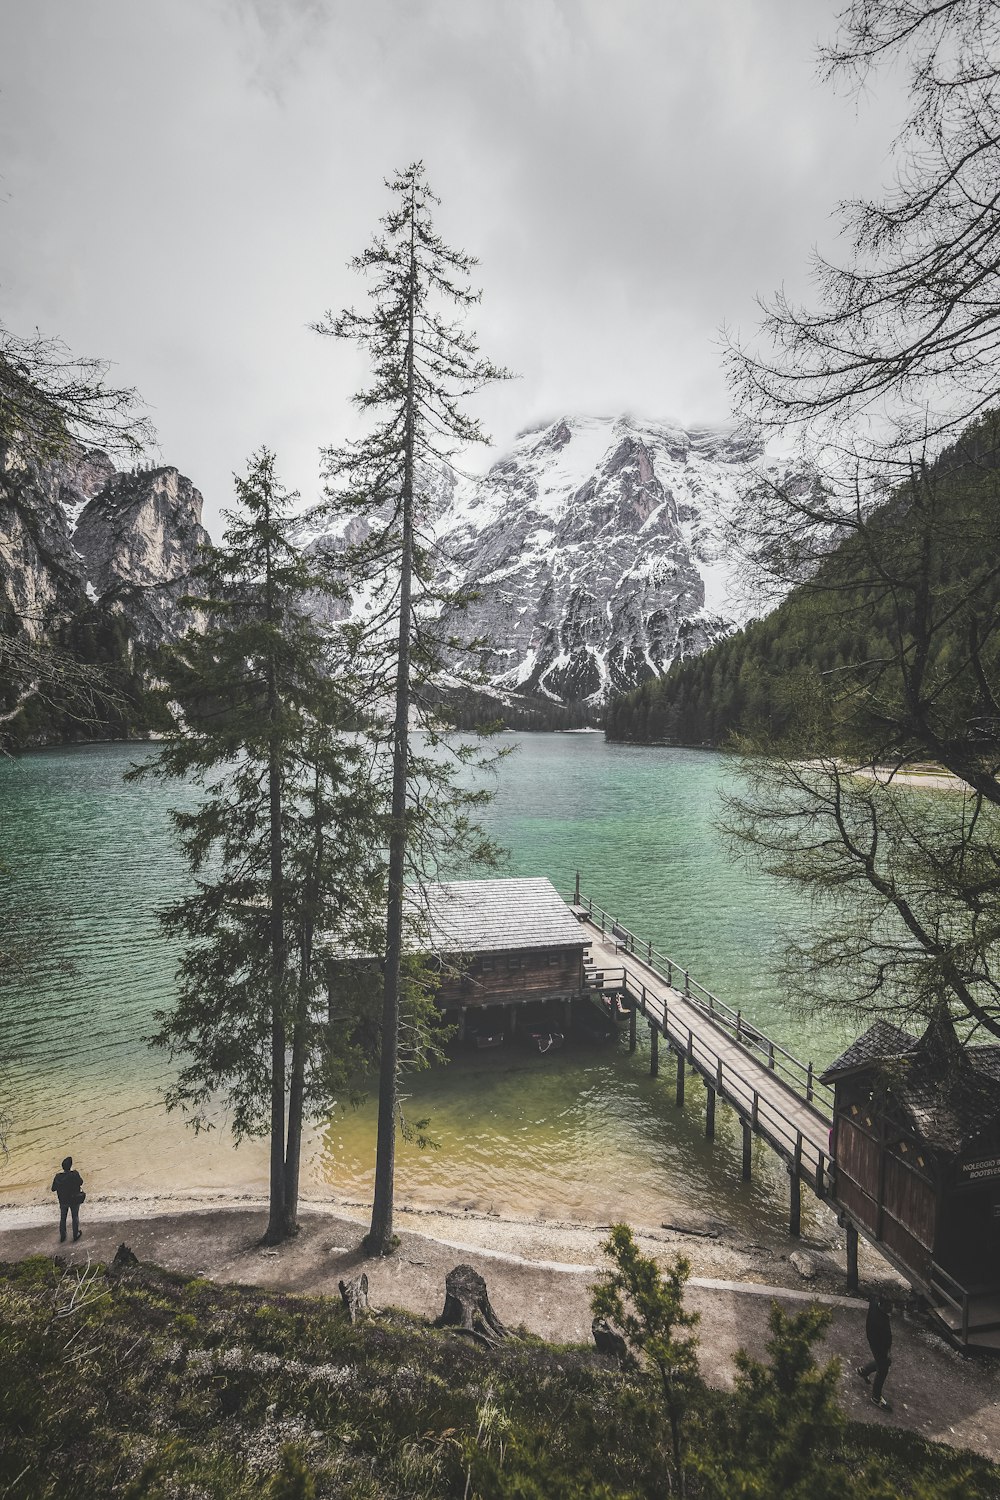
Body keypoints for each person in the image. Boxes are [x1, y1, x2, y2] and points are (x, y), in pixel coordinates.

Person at [857, 1292, 893, 1410]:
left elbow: (873, 1295)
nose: (891, 1309)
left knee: (883, 1362)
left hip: (872, 1337)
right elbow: (886, 1340)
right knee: (883, 1368)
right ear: (882, 1305)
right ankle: (876, 1397)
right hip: (878, 1344)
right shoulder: (881, 1322)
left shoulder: (874, 1302)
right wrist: (887, 1352)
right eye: (888, 1306)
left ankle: (864, 1371)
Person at [51, 1155, 85, 1243]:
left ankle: (63, 1236)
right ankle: (75, 1234)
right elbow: (81, 1182)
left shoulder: (58, 1177)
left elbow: (53, 1188)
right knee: (75, 1216)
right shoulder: (74, 1174)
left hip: (63, 1200)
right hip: (74, 1199)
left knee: (63, 1218)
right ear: (70, 1166)